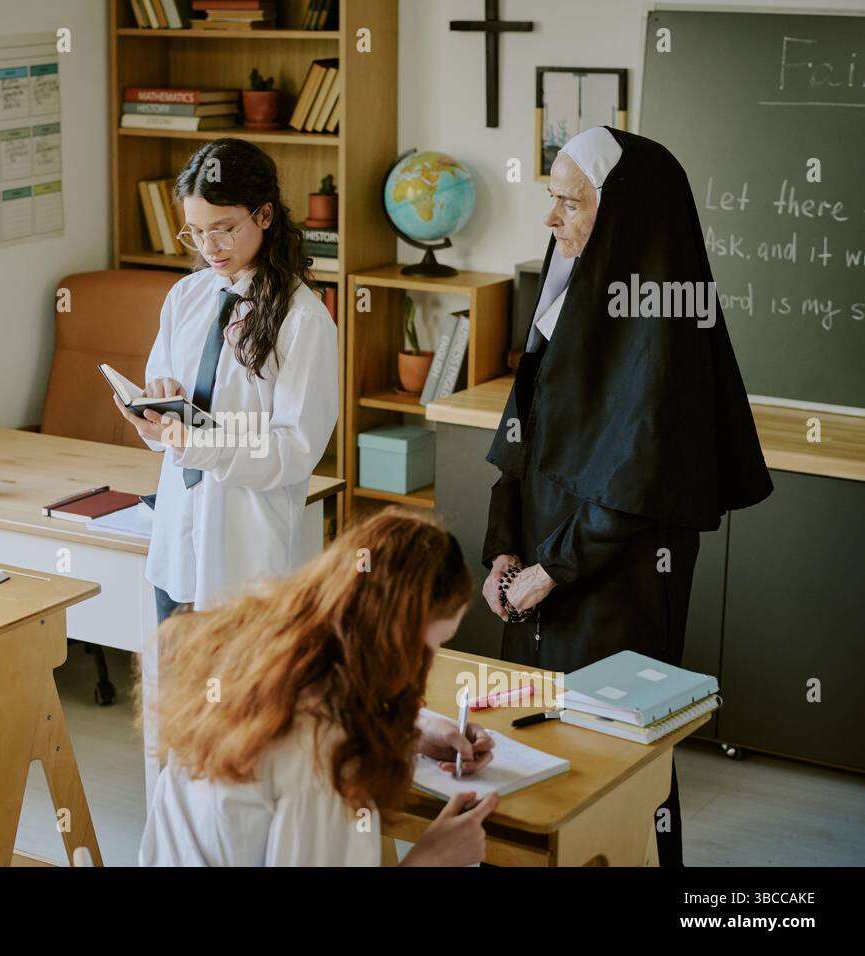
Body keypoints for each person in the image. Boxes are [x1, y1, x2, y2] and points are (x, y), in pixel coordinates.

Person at [480, 127, 773, 866]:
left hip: (623, 579)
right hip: (542, 566)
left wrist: (556, 570)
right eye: (551, 197)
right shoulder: (565, 294)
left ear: (625, 217)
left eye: (570, 203)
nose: (551, 218)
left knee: (615, 758)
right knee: (531, 741)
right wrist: (505, 550)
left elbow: (639, 483)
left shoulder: (667, 323)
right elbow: (520, 442)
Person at [140, 509, 498, 866]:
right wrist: (432, 859)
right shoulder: (325, 753)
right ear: (395, 642)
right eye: (431, 648)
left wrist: (412, 730)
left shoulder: (251, 644)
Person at [114, 137, 339, 625]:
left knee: (242, 702)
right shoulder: (185, 297)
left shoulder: (304, 321)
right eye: (194, 231)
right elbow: (164, 396)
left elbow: (293, 451)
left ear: (264, 215)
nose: (208, 247)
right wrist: (156, 410)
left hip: (245, 565)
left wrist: (197, 445)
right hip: (175, 552)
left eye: (223, 229)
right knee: (172, 699)